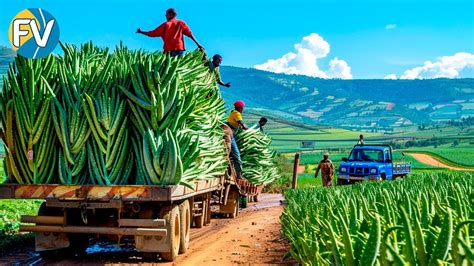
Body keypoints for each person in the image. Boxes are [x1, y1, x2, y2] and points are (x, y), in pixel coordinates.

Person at [136, 8, 203, 56]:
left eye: (166, 14)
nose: (165, 16)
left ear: (171, 14)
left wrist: (141, 32)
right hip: (179, 49)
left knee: (168, 70)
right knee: (176, 69)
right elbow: (190, 34)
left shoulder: (166, 25)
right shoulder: (181, 23)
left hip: (168, 50)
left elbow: (152, 33)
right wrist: (198, 44)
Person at [227, 100, 248, 179]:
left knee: (230, 154)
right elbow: (242, 124)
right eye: (242, 108)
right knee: (236, 154)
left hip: (230, 133)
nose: (243, 109)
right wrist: (248, 129)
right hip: (230, 134)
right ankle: (239, 175)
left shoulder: (233, 113)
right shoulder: (237, 113)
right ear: (240, 107)